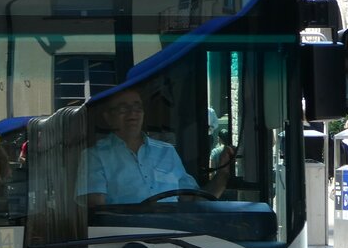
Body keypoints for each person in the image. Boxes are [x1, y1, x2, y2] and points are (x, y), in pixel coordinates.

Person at [78, 88, 234, 207]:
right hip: (125, 240)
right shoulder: (94, 156)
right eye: (123, 108)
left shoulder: (167, 151)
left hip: (175, 238)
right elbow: (98, 214)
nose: (133, 113)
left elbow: (195, 200)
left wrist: (223, 173)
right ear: (108, 117)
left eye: (137, 107)